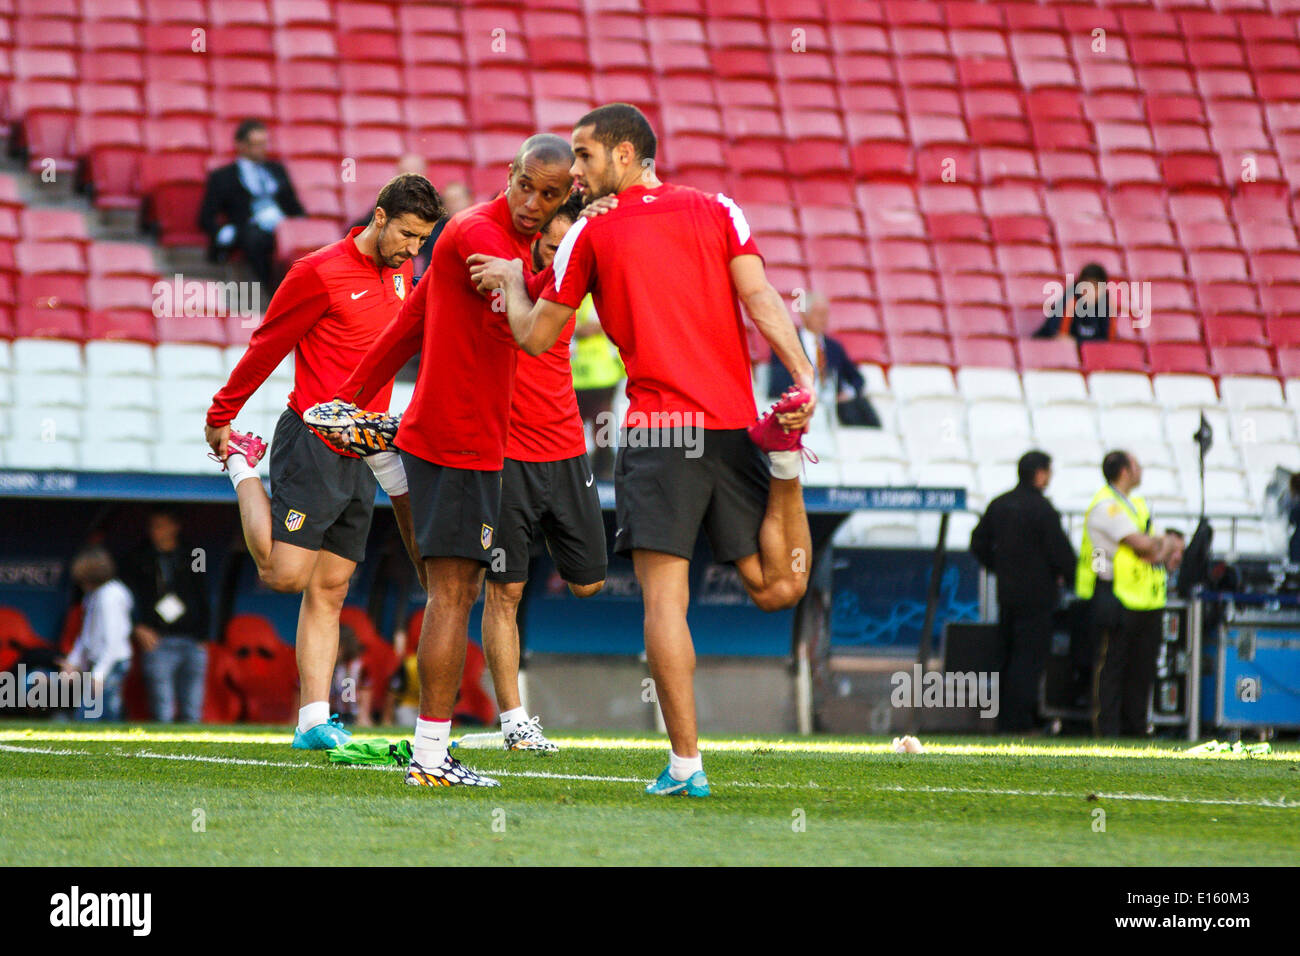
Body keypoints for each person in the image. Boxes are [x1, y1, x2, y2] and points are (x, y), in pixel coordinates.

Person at [467, 103, 816, 797]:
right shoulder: (721, 209)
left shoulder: (589, 234)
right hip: (732, 423)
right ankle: (784, 462)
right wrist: (803, 372)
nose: (574, 173)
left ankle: (686, 766)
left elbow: (535, 338)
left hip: (660, 433)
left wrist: (510, 282)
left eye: (585, 157)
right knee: (780, 587)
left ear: (625, 156)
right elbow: (762, 296)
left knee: (665, 602)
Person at [311, 133, 578, 788]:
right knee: (454, 596)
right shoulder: (476, 234)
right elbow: (534, 331)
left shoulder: (498, 243)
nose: (532, 202)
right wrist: (545, 270)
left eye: (549, 195)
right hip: (459, 440)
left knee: (447, 593)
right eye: (526, 186)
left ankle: (391, 466)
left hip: (463, 438)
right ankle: (430, 759)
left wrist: (350, 393)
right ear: (509, 174)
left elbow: (409, 323)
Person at [203, 173, 441, 750]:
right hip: (311, 439)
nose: (415, 250)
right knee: (283, 576)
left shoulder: (404, 272)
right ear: (379, 217)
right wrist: (221, 415)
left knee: (332, 589)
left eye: (424, 241)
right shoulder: (317, 271)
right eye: (409, 235)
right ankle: (241, 465)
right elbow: (268, 344)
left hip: (364, 449)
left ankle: (312, 720)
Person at [483, 193, 606, 754]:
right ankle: (514, 720)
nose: (559, 256)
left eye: (567, 247)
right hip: (506, 460)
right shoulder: (509, 275)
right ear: (533, 239)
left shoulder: (568, 281)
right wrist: (508, 275)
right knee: (504, 592)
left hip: (565, 452)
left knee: (590, 584)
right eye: (551, 245)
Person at [1077, 451, 1185, 737]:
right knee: (1113, 666)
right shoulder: (1106, 506)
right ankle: (1109, 729)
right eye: (1136, 465)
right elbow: (1144, 545)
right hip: (1114, 593)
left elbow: (1168, 545)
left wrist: (1159, 545)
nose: (1141, 469)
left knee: (1141, 667)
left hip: (1144, 597)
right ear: (1124, 471)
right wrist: (1158, 545)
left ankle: (1135, 728)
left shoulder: (1135, 504)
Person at [970, 451, 1077, 733]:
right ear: (1040, 474)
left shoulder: (1000, 504)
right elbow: (1061, 554)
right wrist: (1072, 579)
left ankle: (1004, 719)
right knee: (1029, 661)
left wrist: (998, 568)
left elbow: (977, 543)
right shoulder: (1042, 510)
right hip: (1038, 597)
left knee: (1006, 657)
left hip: (1007, 594)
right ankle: (1020, 722)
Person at [198, 119, 306, 291]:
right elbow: (206, 216)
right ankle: (273, 293)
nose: (262, 149)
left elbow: (294, 206)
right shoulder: (223, 177)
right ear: (241, 145)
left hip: (281, 225)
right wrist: (223, 232)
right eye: (256, 144)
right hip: (248, 228)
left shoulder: (276, 170)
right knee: (256, 240)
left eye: (264, 143)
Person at [125, 508, 211, 723]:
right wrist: (137, 626)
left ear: (175, 526)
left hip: (191, 639)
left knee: (192, 708)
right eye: (153, 526)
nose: (156, 531)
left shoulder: (194, 554)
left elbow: (202, 594)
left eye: (161, 525)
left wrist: (204, 637)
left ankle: (194, 753)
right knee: (162, 708)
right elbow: (127, 596)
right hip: (158, 639)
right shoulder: (139, 557)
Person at [768, 291, 879, 427]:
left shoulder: (834, 347)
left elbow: (857, 379)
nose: (823, 319)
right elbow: (778, 384)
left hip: (835, 408)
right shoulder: (787, 345)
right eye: (818, 314)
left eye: (825, 314)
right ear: (804, 315)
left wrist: (847, 393)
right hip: (803, 407)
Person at [62, 546, 134, 722]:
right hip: (100, 663)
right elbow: (87, 635)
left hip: (112, 663)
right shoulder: (92, 595)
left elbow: (114, 640)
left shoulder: (111, 595)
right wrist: (73, 662)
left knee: (92, 716)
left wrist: (99, 674)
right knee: (98, 716)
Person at [571, 295, 625, 480]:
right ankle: (588, 471)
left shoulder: (595, 297)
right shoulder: (575, 295)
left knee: (602, 426)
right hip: (578, 376)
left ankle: (604, 470)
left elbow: (592, 327)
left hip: (601, 375)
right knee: (576, 430)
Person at [1034, 262, 1111, 342]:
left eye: (1096, 288)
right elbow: (1055, 336)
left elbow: (1105, 341)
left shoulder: (1105, 305)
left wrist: (1076, 341)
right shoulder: (1068, 301)